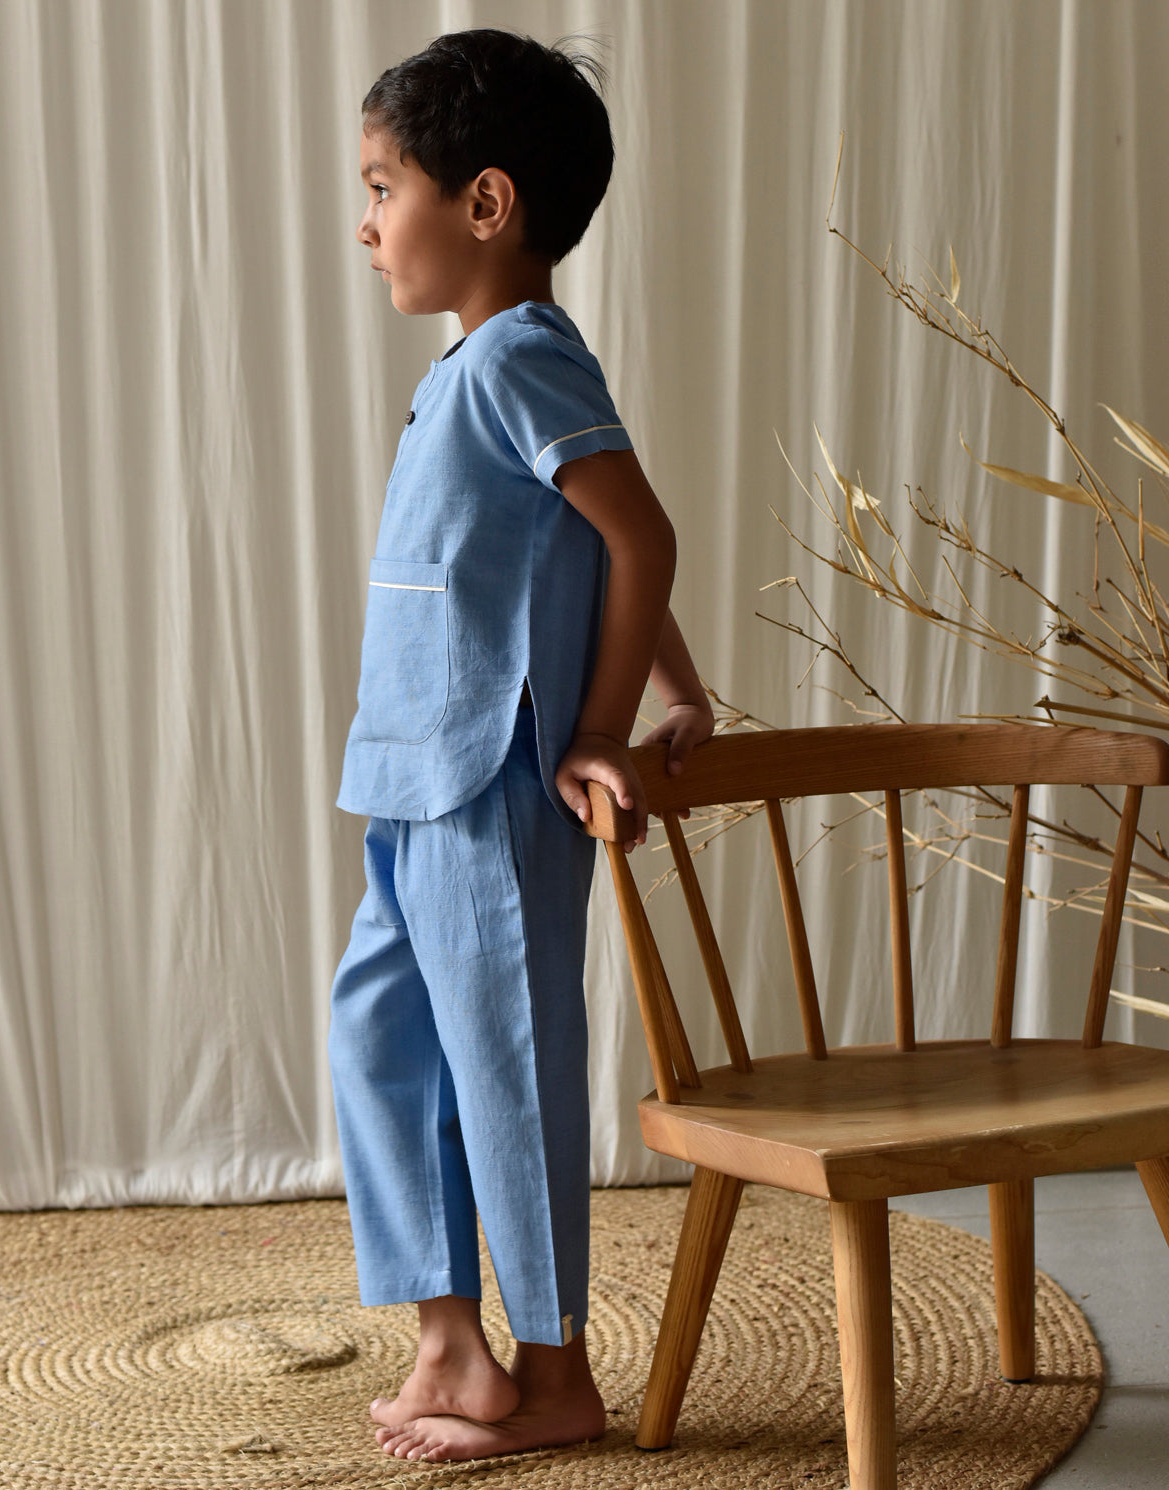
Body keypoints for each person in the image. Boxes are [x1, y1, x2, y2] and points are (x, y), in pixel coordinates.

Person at [328, 28, 714, 1463]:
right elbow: (594, 541)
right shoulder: (470, 369)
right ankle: (452, 1342)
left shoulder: (519, 360)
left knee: (509, 1067)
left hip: (491, 782)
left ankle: (555, 1373)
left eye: (383, 188)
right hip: (412, 778)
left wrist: (605, 724)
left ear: (484, 203)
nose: (367, 223)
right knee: (381, 1046)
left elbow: (641, 534)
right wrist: (683, 686)